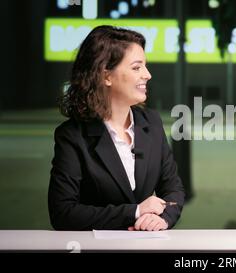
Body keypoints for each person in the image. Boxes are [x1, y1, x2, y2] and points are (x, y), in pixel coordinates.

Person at [48, 25, 184, 231]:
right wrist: (135, 212)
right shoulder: (72, 136)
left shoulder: (152, 123)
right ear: (106, 76)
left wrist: (163, 218)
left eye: (145, 66)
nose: (147, 75)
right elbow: (63, 213)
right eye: (137, 67)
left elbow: (173, 189)